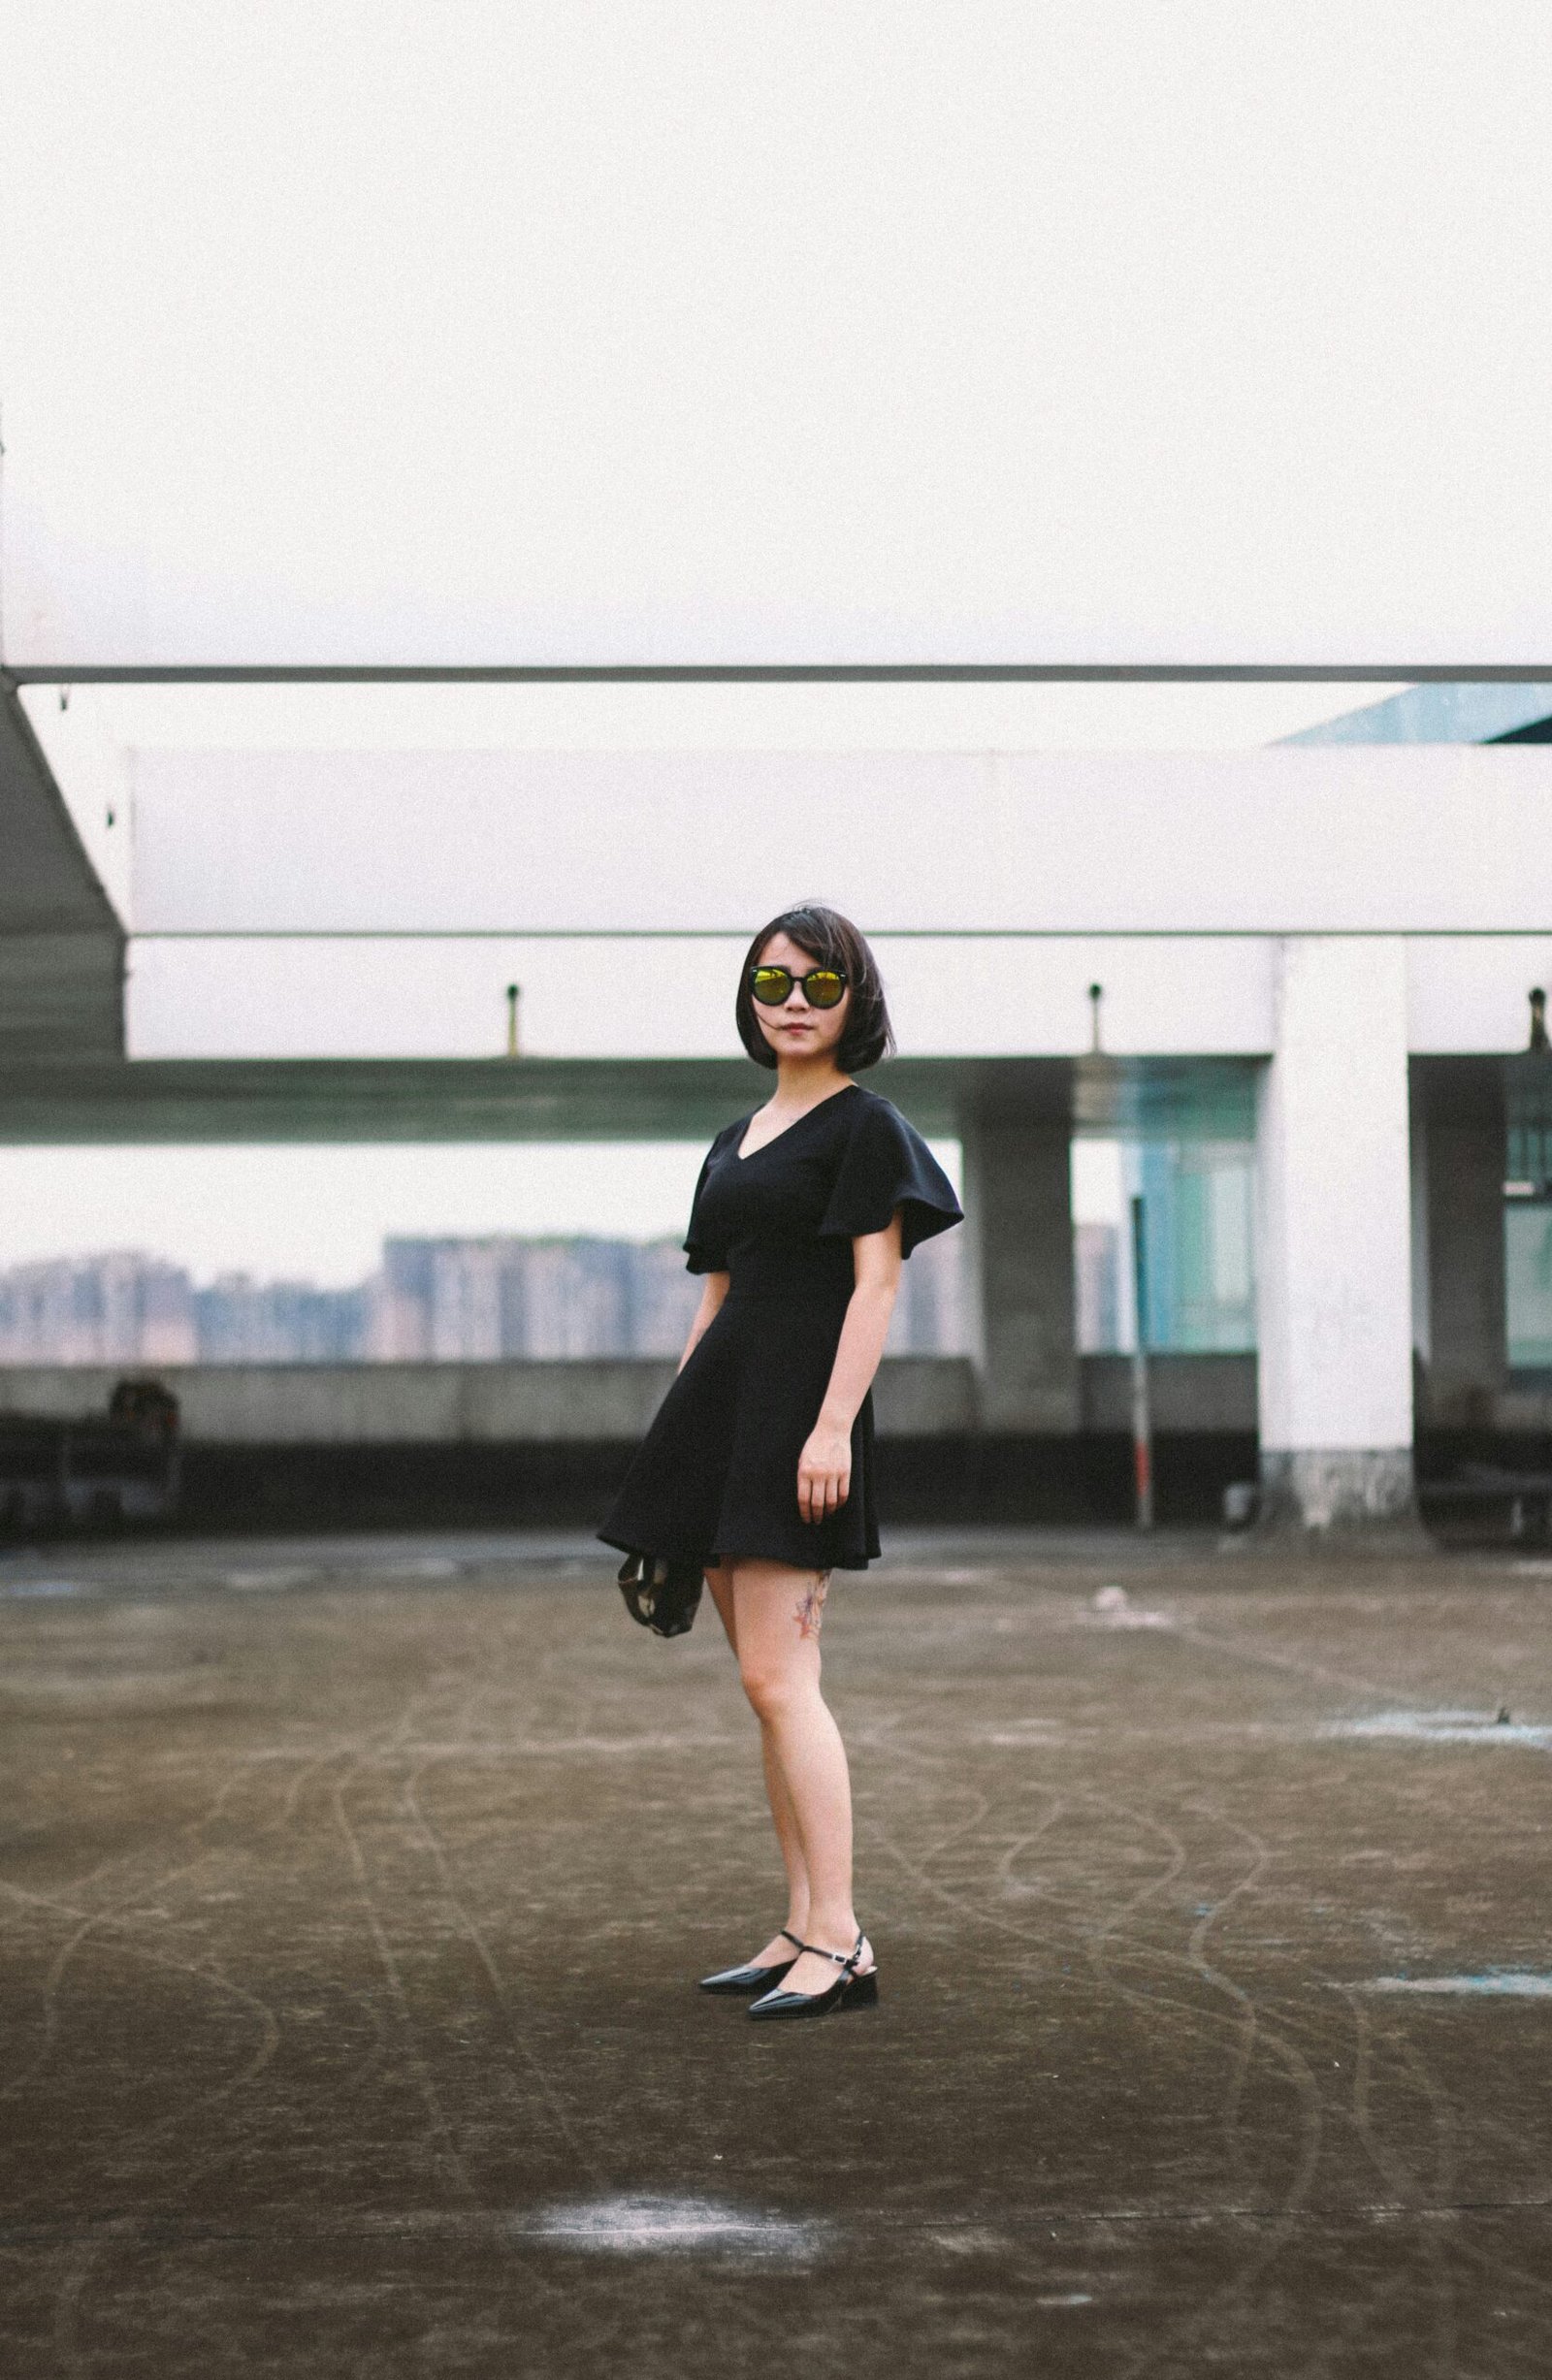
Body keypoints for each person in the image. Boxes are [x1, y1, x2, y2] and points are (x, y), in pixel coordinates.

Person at [598, 903, 963, 2021]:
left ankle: (842, 1937)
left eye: (816, 982)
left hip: (801, 1418)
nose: (793, 1003)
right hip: (719, 1418)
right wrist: (677, 1435)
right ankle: (800, 1921)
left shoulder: (867, 1128)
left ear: (857, 997)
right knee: (765, 1691)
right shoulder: (729, 1142)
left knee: (781, 1679)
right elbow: (714, 1299)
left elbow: (877, 1285)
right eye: (771, 985)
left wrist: (830, 1426)